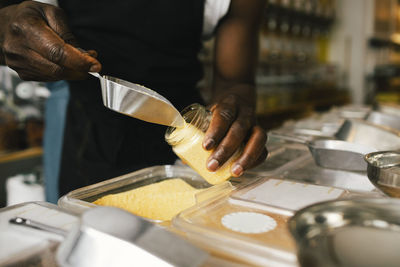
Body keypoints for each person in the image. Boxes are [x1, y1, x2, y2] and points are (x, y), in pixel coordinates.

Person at [0, 0, 268, 197]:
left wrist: (235, 109)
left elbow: (236, 81)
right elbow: (11, 23)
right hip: (85, 130)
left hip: (184, 134)